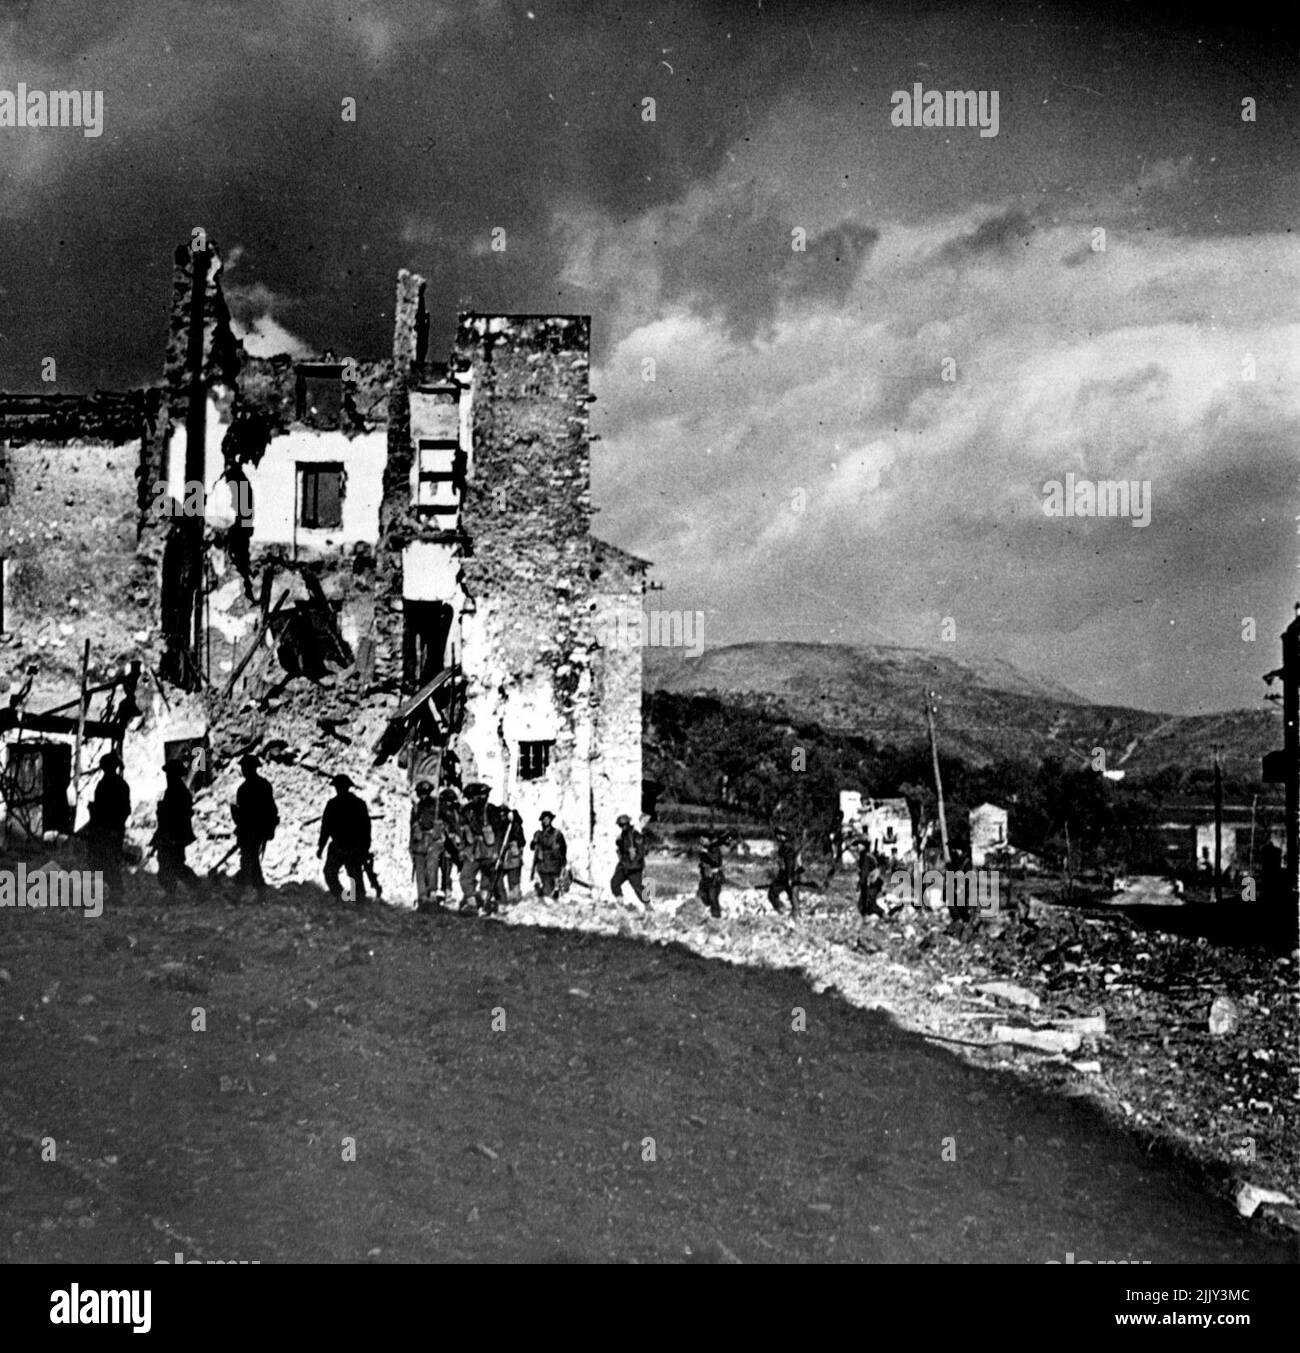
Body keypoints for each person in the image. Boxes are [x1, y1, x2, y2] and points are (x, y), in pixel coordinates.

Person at [318, 773, 372, 904]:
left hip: (343, 846)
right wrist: (365, 847)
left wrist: (321, 846)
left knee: (334, 873)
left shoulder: (333, 804)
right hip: (349, 846)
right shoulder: (358, 804)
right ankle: (353, 899)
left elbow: (326, 828)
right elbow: (366, 828)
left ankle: (347, 898)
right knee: (353, 874)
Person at [231, 754, 277, 895]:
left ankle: (250, 886)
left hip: (251, 829)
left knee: (248, 857)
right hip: (258, 829)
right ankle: (255, 884)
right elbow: (273, 809)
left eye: (244, 767)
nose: (243, 770)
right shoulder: (264, 785)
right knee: (251, 857)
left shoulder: (244, 789)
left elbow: (244, 813)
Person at [87, 752, 131, 897]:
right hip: (100, 829)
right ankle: (114, 890)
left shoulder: (120, 785)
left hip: (112, 830)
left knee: (109, 861)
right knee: (99, 861)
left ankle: (118, 892)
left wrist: (115, 827)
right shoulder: (102, 784)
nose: (107, 770)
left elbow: (125, 809)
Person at [154, 760, 196, 896]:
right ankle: (171, 893)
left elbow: (180, 816)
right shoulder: (173, 790)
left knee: (174, 865)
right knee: (170, 864)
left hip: (175, 836)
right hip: (171, 835)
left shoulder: (178, 791)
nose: (168, 776)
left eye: (170, 774)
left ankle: (198, 888)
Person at [458, 783, 499, 914]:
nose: (483, 797)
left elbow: (499, 832)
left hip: (488, 849)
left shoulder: (491, 810)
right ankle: (472, 904)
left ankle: (485, 903)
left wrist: (497, 851)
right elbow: (463, 832)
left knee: (486, 878)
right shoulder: (465, 811)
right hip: (473, 850)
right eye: (479, 795)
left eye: (485, 795)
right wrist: (463, 849)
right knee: (466, 876)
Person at [409, 778, 447, 912]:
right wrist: (411, 846)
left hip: (433, 840)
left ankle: (432, 895)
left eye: (425, 792)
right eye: (421, 793)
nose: (423, 795)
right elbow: (412, 826)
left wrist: (442, 832)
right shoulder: (415, 808)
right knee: (419, 868)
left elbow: (449, 821)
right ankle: (422, 897)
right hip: (419, 841)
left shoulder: (438, 806)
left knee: (432, 866)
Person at [531, 811, 567, 899]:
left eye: (547, 819)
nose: (546, 821)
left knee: (555, 892)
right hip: (543, 867)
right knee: (545, 893)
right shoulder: (539, 834)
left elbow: (563, 849)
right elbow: (532, 847)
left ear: (551, 820)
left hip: (554, 867)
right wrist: (534, 842)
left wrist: (562, 863)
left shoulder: (557, 834)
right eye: (544, 819)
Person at [611, 813, 646, 903]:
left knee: (639, 889)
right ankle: (621, 904)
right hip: (624, 865)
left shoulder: (636, 835)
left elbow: (641, 852)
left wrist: (633, 864)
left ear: (628, 823)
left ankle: (649, 908)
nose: (622, 827)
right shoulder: (622, 836)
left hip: (634, 867)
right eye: (620, 825)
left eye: (624, 825)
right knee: (615, 883)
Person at [768, 826, 802, 918]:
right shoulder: (792, 844)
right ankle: (796, 914)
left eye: (777, 836)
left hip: (787, 875)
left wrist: (789, 878)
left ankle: (782, 910)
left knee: (772, 893)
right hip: (794, 874)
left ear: (779, 835)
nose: (777, 838)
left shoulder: (786, 847)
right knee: (793, 896)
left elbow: (789, 863)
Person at [437, 787, 463, 894]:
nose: (449, 804)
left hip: (458, 843)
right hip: (446, 844)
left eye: (451, 801)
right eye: (447, 801)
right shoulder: (440, 812)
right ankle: (446, 888)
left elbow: (460, 825)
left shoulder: (457, 812)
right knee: (446, 865)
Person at [499, 807, 526, 906]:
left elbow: (522, 841)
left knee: (513, 881)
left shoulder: (515, 826)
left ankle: (515, 902)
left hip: (513, 859)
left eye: (503, 815)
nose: (502, 817)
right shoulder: (501, 826)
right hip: (504, 858)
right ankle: (503, 899)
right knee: (498, 879)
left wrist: (514, 845)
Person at [698, 832, 727, 918]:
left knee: (712, 898)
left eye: (703, 839)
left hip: (714, 879)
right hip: (706, 878)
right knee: (704, 897)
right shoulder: (706, 849)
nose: (701, 841)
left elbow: (714, 863)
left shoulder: (714, 849)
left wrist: (705, 854)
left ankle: (716, 917)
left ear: (708, 840)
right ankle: (711, 915)